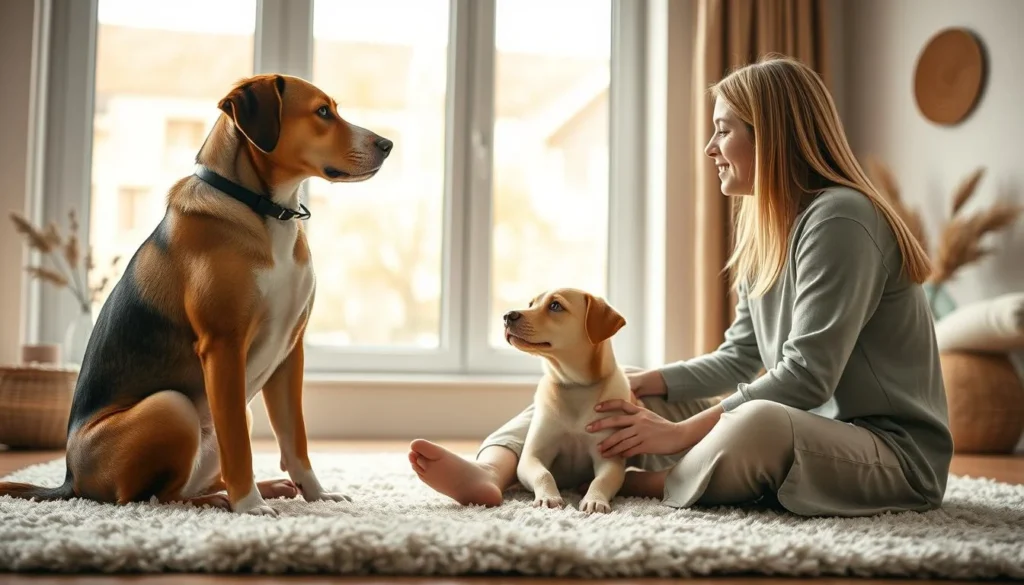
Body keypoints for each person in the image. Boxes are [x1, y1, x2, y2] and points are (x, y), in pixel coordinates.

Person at [408, 55, 953, 517]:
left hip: (893, 455)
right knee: (596, 393)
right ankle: (492, 469)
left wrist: (680, 434)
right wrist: (641, 385)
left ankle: (645, 482)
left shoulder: (841, 219)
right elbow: (739, 357)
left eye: (724, 129)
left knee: (754, 420)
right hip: (813, 426)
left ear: (773, 134)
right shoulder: (768, 231)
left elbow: (807, 378)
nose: (711, 148)